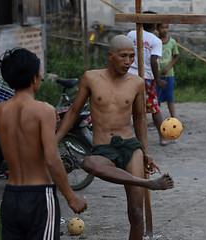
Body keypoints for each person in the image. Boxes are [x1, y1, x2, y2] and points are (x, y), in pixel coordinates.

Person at [56, 35, 174, 240]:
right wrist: (55, 139)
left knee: (136, 213)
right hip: (104, 148)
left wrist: (145, 152)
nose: (128, 62)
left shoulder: (137, 82)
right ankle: (146, 183)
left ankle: (141, 183)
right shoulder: (91, 78)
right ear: (111, 56)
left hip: (130, 146)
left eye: (131, 57)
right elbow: (74, 111)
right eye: (123, 56)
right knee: (88, 163)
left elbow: (139, 118)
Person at [0, 48, 87, 240]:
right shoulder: (44, 110)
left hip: (11, 196)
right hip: (38, 196)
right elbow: (52, 160)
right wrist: (71, 197)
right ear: (34, 78)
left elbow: (23, 142)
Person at [127, 11, 170, 146]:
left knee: (126, 106)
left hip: (128, 75)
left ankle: (126, 138)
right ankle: (162, 138)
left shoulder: (131, 34)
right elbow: (153, 61)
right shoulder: (155, 40)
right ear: (155, 24)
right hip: (146, 78)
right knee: (154, 108)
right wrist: (157, 80)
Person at [156, 23, 179, 118]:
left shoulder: (172, 42)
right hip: (156, 75)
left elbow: (176, 56)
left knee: (170, 98)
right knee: (157, 99)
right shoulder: (155, 41)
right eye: (162, 28)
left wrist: (168, 67)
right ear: (157, 29)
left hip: (168, 75)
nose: (164, 30)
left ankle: (174, 118)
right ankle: (157, 118)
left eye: (166, 27)